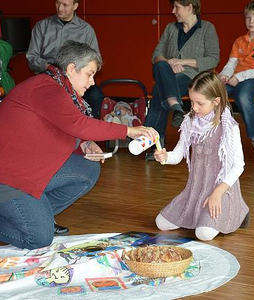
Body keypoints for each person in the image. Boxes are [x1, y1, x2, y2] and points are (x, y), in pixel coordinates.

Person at [0, 41, 157, 250]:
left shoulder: (56, 86)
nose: (92, 82)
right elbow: (77, 124)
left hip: (28, 171)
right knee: (39, 238)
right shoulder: (48, 89)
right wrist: (128, 130)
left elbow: (60, 127)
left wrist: (84, 144)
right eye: (89, 74)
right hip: (9, 180)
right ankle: (31, 218)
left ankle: (38, 214)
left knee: (87, 168)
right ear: (72, 69)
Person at [154, 71, 249, 241]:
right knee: (161, 223)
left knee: (203, 234)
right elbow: (178, 154)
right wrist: (165, 156)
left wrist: (218, 192)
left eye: (200, 103)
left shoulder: (228, 126)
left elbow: (238, 165)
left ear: (216, 101)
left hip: (221, 190)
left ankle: (239, 210)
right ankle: (198, 215)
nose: (194, 108)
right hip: (196, 190)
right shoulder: (190, 121)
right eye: (191, 102)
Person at [144, 0, 220, 160]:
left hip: (194, 78)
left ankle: (152, 143)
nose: (173, 11)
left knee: (160, 88)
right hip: (169, 74)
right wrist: (169, 63)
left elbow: (213, 59)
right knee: (160, 67)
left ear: (190, 7)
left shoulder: (207, 28)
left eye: (176, 7)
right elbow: (156, 55)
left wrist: (182, 62)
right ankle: (177, 108)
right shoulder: (170, 28)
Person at [26, 0, 103, 119]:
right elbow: (31, 57)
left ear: (75, 6)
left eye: (65, 5)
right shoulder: (41, 26)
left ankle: (90, 132)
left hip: (75, 75)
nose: (60, 8)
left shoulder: (86, 30)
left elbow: (96, 61)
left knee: (96, 96)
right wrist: (47, 66)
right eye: (57, 3)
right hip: (48, 75)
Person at [219, 0, 254, 160]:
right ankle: (218, 138)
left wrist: (240, 76)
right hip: (235, 80)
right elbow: (231, 64)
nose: (251, 21)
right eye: (248, 18)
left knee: (243, 95)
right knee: (216, 93)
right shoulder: (239, 41)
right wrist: (224, 75)